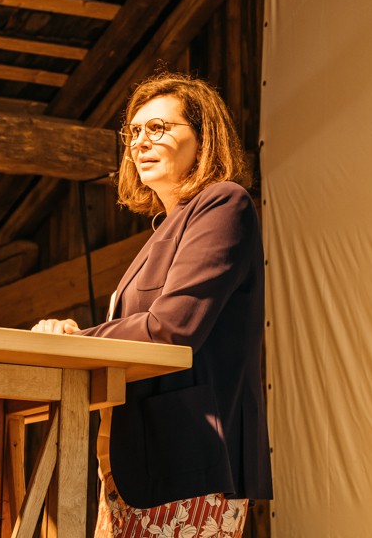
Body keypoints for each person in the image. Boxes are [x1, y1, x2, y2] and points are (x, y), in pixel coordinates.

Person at [31, 72, 273, 537]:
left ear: (203, 138)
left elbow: (170, 328)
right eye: (134, 131)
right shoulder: (165, 229)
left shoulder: (224, 203)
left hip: (189, 460)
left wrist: (74, 339)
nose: (140, 141)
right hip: (133, 466)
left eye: (158, 128)